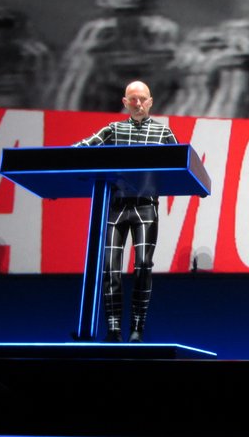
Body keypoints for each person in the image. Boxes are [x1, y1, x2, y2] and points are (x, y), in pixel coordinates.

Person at [73, 81, 177, 342]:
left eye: (142, 99)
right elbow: (80, 149)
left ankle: (137, 328)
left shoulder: (163, 132)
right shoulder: (113, 129)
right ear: (125, 102)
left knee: (143, 265)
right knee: (110, 269)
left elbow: (182, 163)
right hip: (116, 208)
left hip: (146, 207)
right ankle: (113, 329)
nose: (138, 104)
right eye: (133, 99)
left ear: (150, 101)